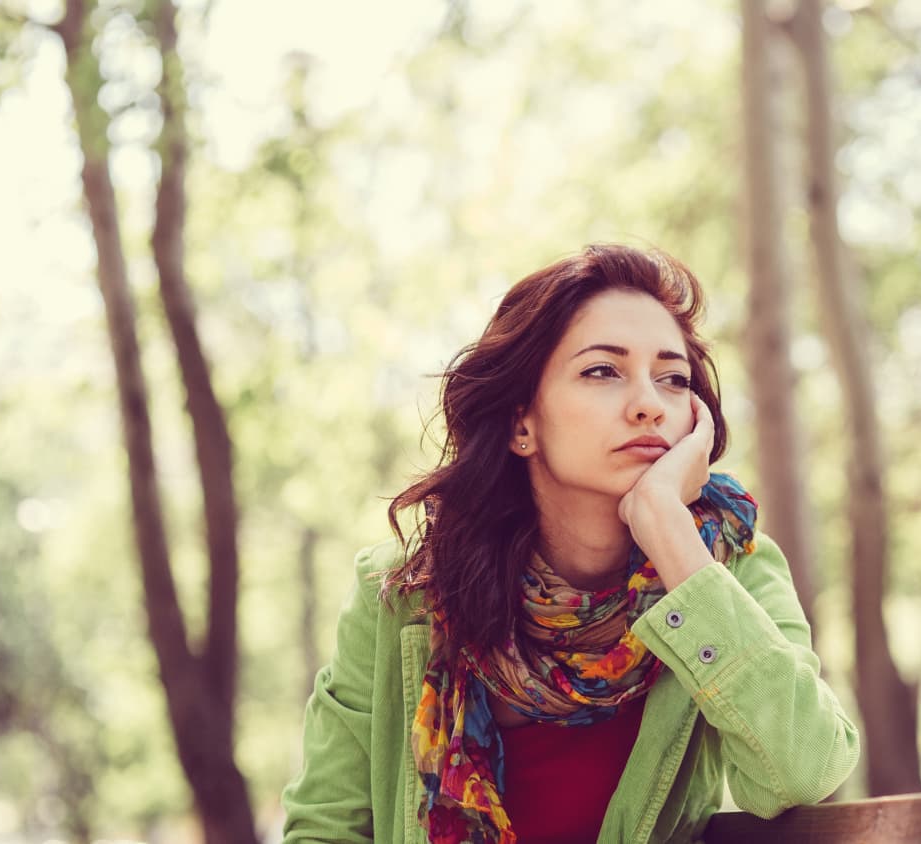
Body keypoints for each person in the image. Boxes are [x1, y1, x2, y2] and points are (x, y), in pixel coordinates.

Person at [282, 244, 860, 844]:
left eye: (673, 379)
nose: (648, 406)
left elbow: (803, 770)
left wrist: (671, 532)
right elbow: (324, 828)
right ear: (520, 424)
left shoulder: (725, 568)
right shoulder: (406, 592)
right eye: (602, 371)